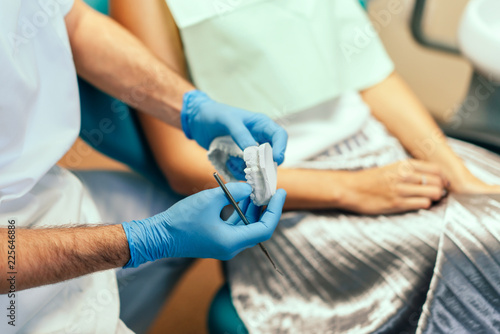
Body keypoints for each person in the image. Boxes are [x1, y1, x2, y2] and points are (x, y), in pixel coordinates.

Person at [110, 0, 500, 333]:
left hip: (382, 150)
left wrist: (457, 172)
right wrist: (355, 190)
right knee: (476, 246)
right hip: (284, 194)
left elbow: (370, 73)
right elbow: (181, 165)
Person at [0, 1, 288, 333]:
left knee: (163, 210)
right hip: (13, 278)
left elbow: (70, 20)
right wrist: (144, 240)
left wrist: (190, 106)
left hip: (41, 188)